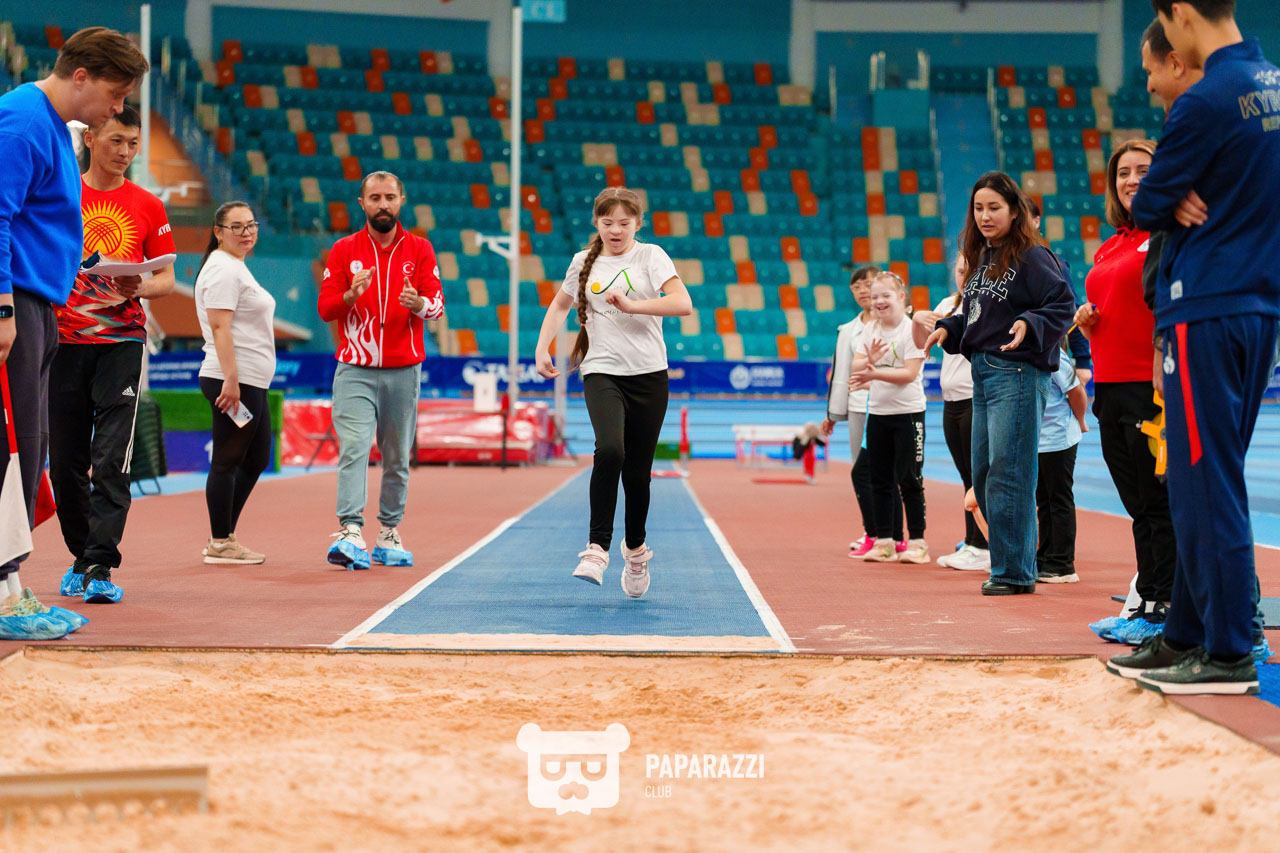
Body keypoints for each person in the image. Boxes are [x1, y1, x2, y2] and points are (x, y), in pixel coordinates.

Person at [1108, 0, 1280, 695]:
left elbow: (1145, 206)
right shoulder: (1271, 83)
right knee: (1202, 475)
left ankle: (1230, 649)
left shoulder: (1206, 99)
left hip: (1204, 304)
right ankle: (1184, 630)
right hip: (1256, 301)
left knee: (1203, 479)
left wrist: (1167, 194)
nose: (1151, 80)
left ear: (1179, 15)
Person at [0, 26, 147, 639]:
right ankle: (4, 592)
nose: (118, 107)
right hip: (19, 305)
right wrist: (4, 306)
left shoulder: (52, 129)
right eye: (115, 94)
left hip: (40, 305)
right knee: (13, 451)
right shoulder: (22, 122)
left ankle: (8, 583)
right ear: (80, 76)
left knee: (26, 452)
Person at [533, 186, 692, 598]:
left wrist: (633, 307)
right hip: (602, 370)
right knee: (610, 451)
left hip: (649, 375)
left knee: (638, 475)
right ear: (596, 223)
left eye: (624, 223)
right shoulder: (582, 261)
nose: (616, 230)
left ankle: (635, 550)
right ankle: (596, 549)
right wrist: (541, 345)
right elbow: (559, 305)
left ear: (638, 224)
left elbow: (682, 303)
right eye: (607, 223)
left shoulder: (651, 256)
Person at [926, 172, 1075, 595]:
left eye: (994, 207)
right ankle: (1015, 563)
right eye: (978, 208)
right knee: (986, 473)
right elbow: (979, 318)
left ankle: (1013, 572)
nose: (985, 215)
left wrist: (1031, 323)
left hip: (1017, 372)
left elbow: (1064, 303)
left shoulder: (1032, 255)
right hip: (983, 373)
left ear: (1014, 210)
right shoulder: (984, 261)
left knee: (1010, 473)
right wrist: (949, 329)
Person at [51, 104, 175, 604]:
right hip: (61, 341)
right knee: (64, 463)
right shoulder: (60, 194)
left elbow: (165, 277)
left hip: (121, 342)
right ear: (89, 141)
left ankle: (100, 565)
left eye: (132, 144)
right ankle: (82, 555)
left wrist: (138, 286)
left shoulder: (148, 205)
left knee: (111, 460)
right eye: (115, 142)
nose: (125, 153)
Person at [1073, 138, 1177, 639]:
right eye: (1122, 174)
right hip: (1109, 387)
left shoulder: (1169, 232)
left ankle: (1164, 607)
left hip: (1150, 384)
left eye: (1142, 170)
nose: (1132, 180)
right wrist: (1087, 319)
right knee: (1138, 504)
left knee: (1158, 502)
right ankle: (1148, 604)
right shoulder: (1112, 243)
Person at [317, 171, 443, 570]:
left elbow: (437, 308)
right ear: (362, 204)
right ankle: (351, 529)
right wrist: (348, 296)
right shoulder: (342, 250)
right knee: (354, 447)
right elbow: (324, 309)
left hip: (403, 370)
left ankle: (389, 531)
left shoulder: (420, 250)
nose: (382, 204)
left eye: (390, 197)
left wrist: (419, 304)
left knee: (397, 456)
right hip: (354, 367)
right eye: (375, 197)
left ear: (401, 201)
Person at [195, 202, 275, 565]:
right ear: (218, 231)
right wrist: (231, 380)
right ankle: (220, 541)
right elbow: (219, 328)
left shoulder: (237, 267)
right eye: (237, 226)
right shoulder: (224, 270)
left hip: (250, 380)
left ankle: (224, 536)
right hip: (233, 380)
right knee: (228, 459)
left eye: (251, 225)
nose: (247, 232)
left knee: (256, 457)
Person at [821, 264, 906, 558]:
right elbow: (842, 373)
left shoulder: (898, 322)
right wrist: (833, 413)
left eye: (867, 285)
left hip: (889, 405)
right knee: (864, 472)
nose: (862, 291)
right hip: (859, 407)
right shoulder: (848, 330)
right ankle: (874, 531)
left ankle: (891, 535)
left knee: (884, 474)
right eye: (856, 287)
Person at [912, 255, 990, 571]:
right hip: (950, 402)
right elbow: (922, 347)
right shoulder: (947, 303)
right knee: (966, 478)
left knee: (978, 478)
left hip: (975, 399)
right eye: (959, 271)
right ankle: (973, 542)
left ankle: (982, 545)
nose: (964, 277)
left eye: (970, 271)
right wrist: (918, 322)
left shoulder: (985, 304)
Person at [849, 271, 928, 563]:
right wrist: (867, 363)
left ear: (900, 298)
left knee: (909, 478)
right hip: (879, 413)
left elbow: (909, 374)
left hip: (908, 413)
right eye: (875, 296)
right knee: (879, 478)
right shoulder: (871, 329)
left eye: (886, 295)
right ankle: (885, 541)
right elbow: (858, 364)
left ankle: (918, 541)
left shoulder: (911, 330)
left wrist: (872, 372)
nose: (879, 301)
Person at [1035, 341, 1088, 584]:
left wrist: (1081, 420)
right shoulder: (1027, 351)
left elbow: (1076, 391)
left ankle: (1063, 563)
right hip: (1037, 441)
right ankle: (1046, 556)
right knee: (1043, 501)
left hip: (1059, 438)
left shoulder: (1055, 354)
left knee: (1059, 498)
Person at [1026, 198, 1093, 387]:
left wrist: (1082, 361)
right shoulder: (1000, 266)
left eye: (1023, 217)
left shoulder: (1054, 265)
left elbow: (1073, 311)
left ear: (1036, 221)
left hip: (1049, 365)